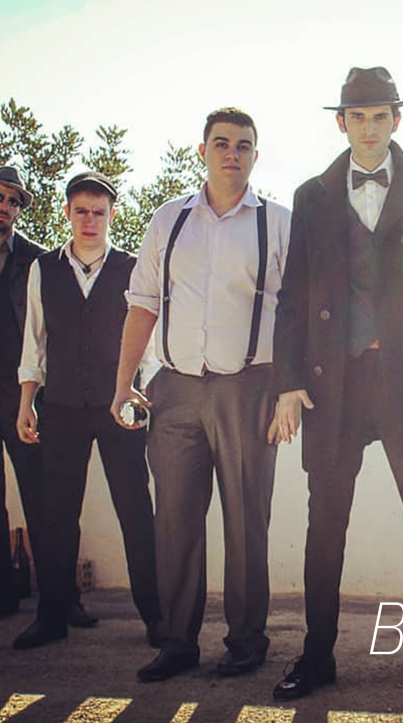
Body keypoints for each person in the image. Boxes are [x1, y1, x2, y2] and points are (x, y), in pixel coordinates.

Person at [268, 66, 403, 707]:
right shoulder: (312, 195)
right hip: (332, 383)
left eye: (380, 116)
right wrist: (287, 381)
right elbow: (293, 295)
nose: (369, 128)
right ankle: (316, 657)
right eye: (358, 117)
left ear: (397, 119)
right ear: (341, 123)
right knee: (324, 527)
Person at [112, 108, 291, 681]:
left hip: (250, 388)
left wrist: (290, 391)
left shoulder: (278, 223)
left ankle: (246, 641)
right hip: (175, 389)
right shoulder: (169, 219)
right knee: (175, 522)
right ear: (202, 151)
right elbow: (143, 302)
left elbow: (298, 312)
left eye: (243, 145)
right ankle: (177, 643)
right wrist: (124, 383)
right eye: (221, 143)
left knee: (246, 520)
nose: (231, 154)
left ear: (256, 155)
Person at [11, 171, 160, 650]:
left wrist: (141, 395)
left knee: (135, 511)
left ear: (111, 215)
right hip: (60, 406)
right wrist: (26, 403)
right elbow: (34, 342)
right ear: (68, 213)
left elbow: (149, 345)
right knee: (57, 516)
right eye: (81, 211)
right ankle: (52, 616)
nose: (90, 220)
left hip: (119, 407)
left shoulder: (132, 268)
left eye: (98, 212)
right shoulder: (43, 269)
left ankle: (157, 618)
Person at [0, 166, 94, 628]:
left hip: (27, 399)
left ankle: (63, 598)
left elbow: (54, 330)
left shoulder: (37, 261)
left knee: (46, 500)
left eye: (13, 201)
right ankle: (0, 595)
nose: (4, 207)